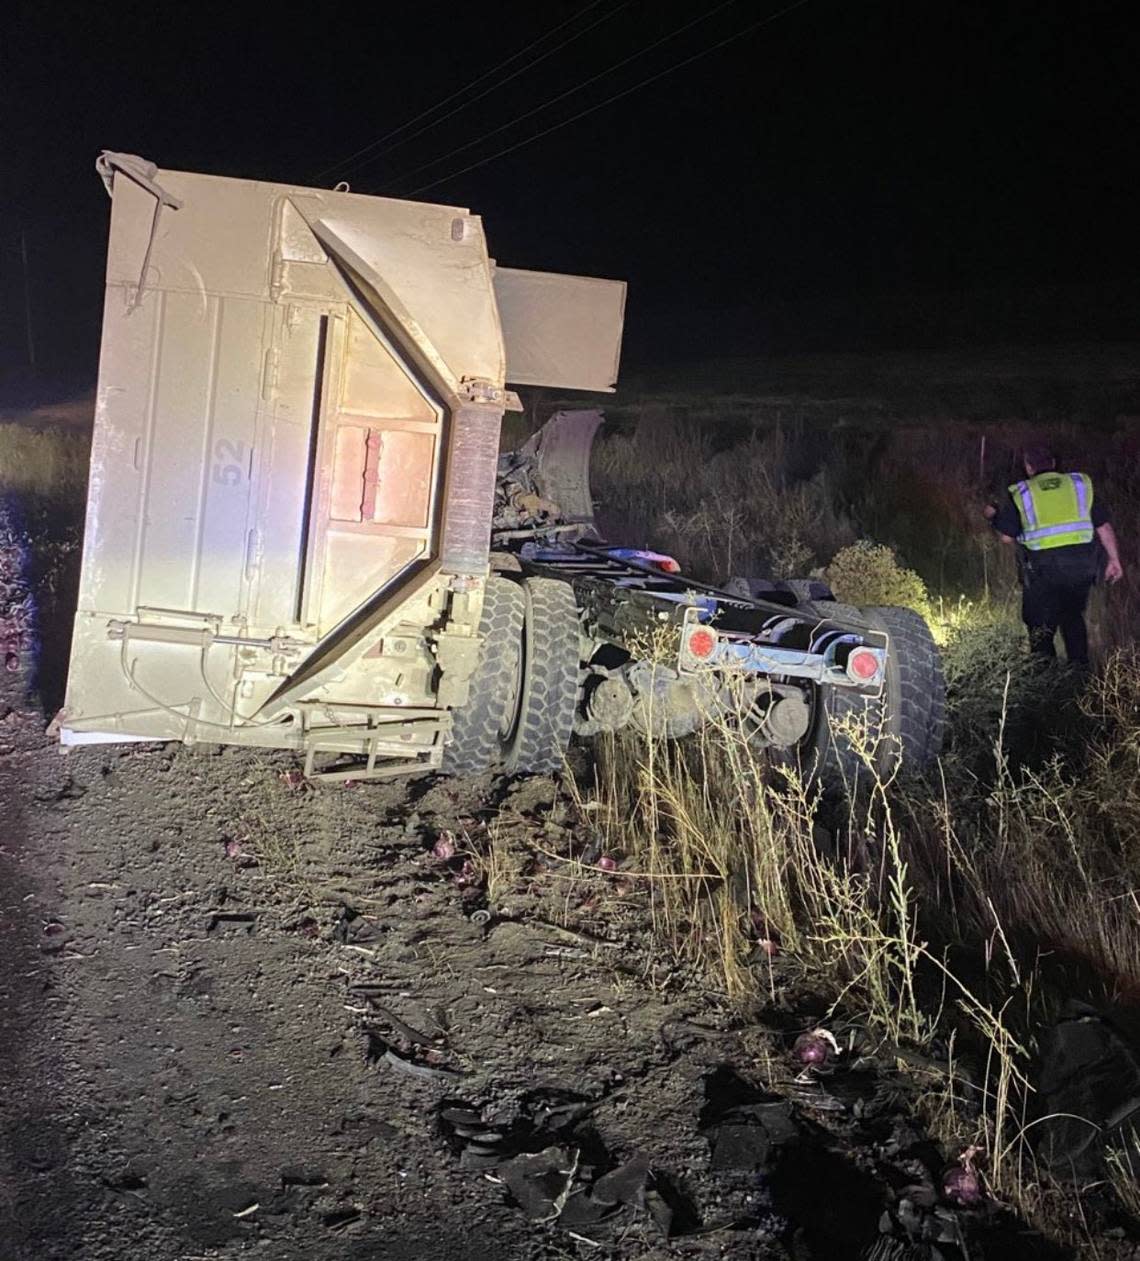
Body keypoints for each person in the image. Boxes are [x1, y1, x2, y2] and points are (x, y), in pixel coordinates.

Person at [984, 443, 1123, 663]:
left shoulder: (1023, 492)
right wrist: (1114, 560)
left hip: (1042, 570)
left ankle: (1045, 677)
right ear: (1053, 464)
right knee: (1073, 618)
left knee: (1040, 626)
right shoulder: (1078, 486)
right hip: (1081, 567)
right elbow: (1103, 526)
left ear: (1029, 467)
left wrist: (993, 517)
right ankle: (1079, 674)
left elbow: (1006, 537)